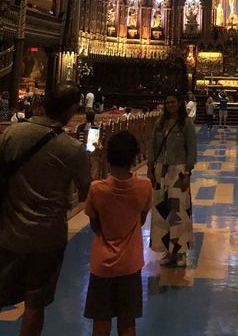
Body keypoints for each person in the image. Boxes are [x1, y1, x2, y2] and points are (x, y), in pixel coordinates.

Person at [0, 82, 91, 336]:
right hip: (48, 235)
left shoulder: (12, 134)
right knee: (35, 304)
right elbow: (85, 193)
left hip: (9, 231)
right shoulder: (72, 148)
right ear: (71, 109)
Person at [84, 131, 152, 336]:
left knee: (101, 321)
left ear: (108, 156)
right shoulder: (144, 186)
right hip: (130, 263)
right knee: (127, 322)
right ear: (133, 158)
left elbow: (95, 225)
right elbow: (140, 220)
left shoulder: (97, 189)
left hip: (102, 264)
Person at [147, 91, 196, 267]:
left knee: (179, 209)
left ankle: (180, 252)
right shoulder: (159, 123)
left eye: (173, 102)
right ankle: (168, 251)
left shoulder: (186, 124)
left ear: (179, 103)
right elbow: (152, 146)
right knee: (162, 210)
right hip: (160, 169)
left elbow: (192, 149)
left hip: (179, 169)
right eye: (167, 102)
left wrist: (188, 172)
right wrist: (150, 168)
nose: (170, 105)